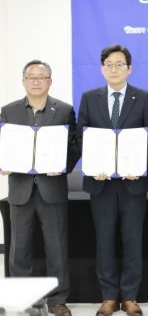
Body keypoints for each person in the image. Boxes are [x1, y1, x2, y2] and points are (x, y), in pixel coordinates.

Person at [76, 45, 148, 316]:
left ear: (129, 68)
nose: (114, 69)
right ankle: (109, 297)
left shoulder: (144, 98)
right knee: (105, 241)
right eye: (109, 64)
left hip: (133, 183)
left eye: (119, 64)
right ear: (102, 69)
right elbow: (81, 137)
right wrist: (93, 165)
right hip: (101, 183)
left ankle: (131, 297)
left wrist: (138, 165)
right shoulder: (90, 98)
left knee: (132, 241)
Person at [0, 60, 79, 316]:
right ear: (23, 81)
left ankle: (58, 300)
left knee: (57, 248)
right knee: (19, 250)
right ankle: (22, 301)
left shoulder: (64, 110)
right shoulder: (8, 111)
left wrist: (63, 166)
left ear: (50, 81)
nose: (36, 81)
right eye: (31, 77)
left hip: (52, 188)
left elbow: (74, 146)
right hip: (20, 189)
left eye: (41, 77)